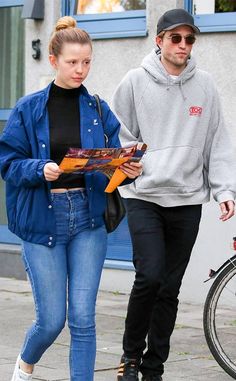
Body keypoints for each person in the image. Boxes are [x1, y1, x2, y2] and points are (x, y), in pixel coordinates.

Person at [0, 16, 142, 381]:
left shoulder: (97, 108)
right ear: (53, 60)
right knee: (51, 320)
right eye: (72, 62)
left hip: (87, 217)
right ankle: (26, 363)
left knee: (82, 318)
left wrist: (125, 169)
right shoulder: (29, 109)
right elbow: (7, 163)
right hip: (43, 217)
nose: (81, 70)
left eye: (87, 62)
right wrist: (39, 169)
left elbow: (114, 157)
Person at [112, 8, 236, 381]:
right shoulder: (135, 81)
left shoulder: (206, 85)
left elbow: (218, 143)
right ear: (160, 40)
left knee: (169, 287)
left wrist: (224, 189)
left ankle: (154, 367)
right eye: (176, 38)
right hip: (144, 195)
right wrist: (132, 163)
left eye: (189, 39)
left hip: (187, 199)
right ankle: (130, 358)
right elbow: (117, 133)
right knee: (148, 277)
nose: (183, 45)